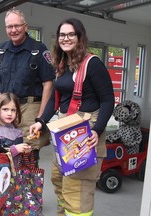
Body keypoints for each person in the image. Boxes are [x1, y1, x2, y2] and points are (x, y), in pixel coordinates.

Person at [29, 18, 115, 216]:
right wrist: (41, 121)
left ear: (79, 37)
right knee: (59, 180)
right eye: (62, 35)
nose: (65, 38)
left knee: (77, 189)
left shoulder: (92, 64)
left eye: (70, 34)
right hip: (65, 129)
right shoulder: (62, 64)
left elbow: (108, 100)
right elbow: (55, 100)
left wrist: (97, 130)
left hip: (86, 130)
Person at [0, 7, 55, 165]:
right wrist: (1, 102)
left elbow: (48, 84)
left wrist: (40, 116)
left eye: (17, 26)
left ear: (25, 26)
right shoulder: (1, 50)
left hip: (29, 108)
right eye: (9, 27)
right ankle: (7, 188)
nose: (13, 30)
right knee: (4, 151)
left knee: (28, 154)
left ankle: (27, 189)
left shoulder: (39, 50)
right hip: (8, 107)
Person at [0, 92, 32, 166]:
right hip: (0, 174)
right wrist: (15, 149)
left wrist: (25, 151)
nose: (10, 113)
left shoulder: (18, 132)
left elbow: (20, 159)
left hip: (16, 173)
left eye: (13, 110)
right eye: (5, 109)